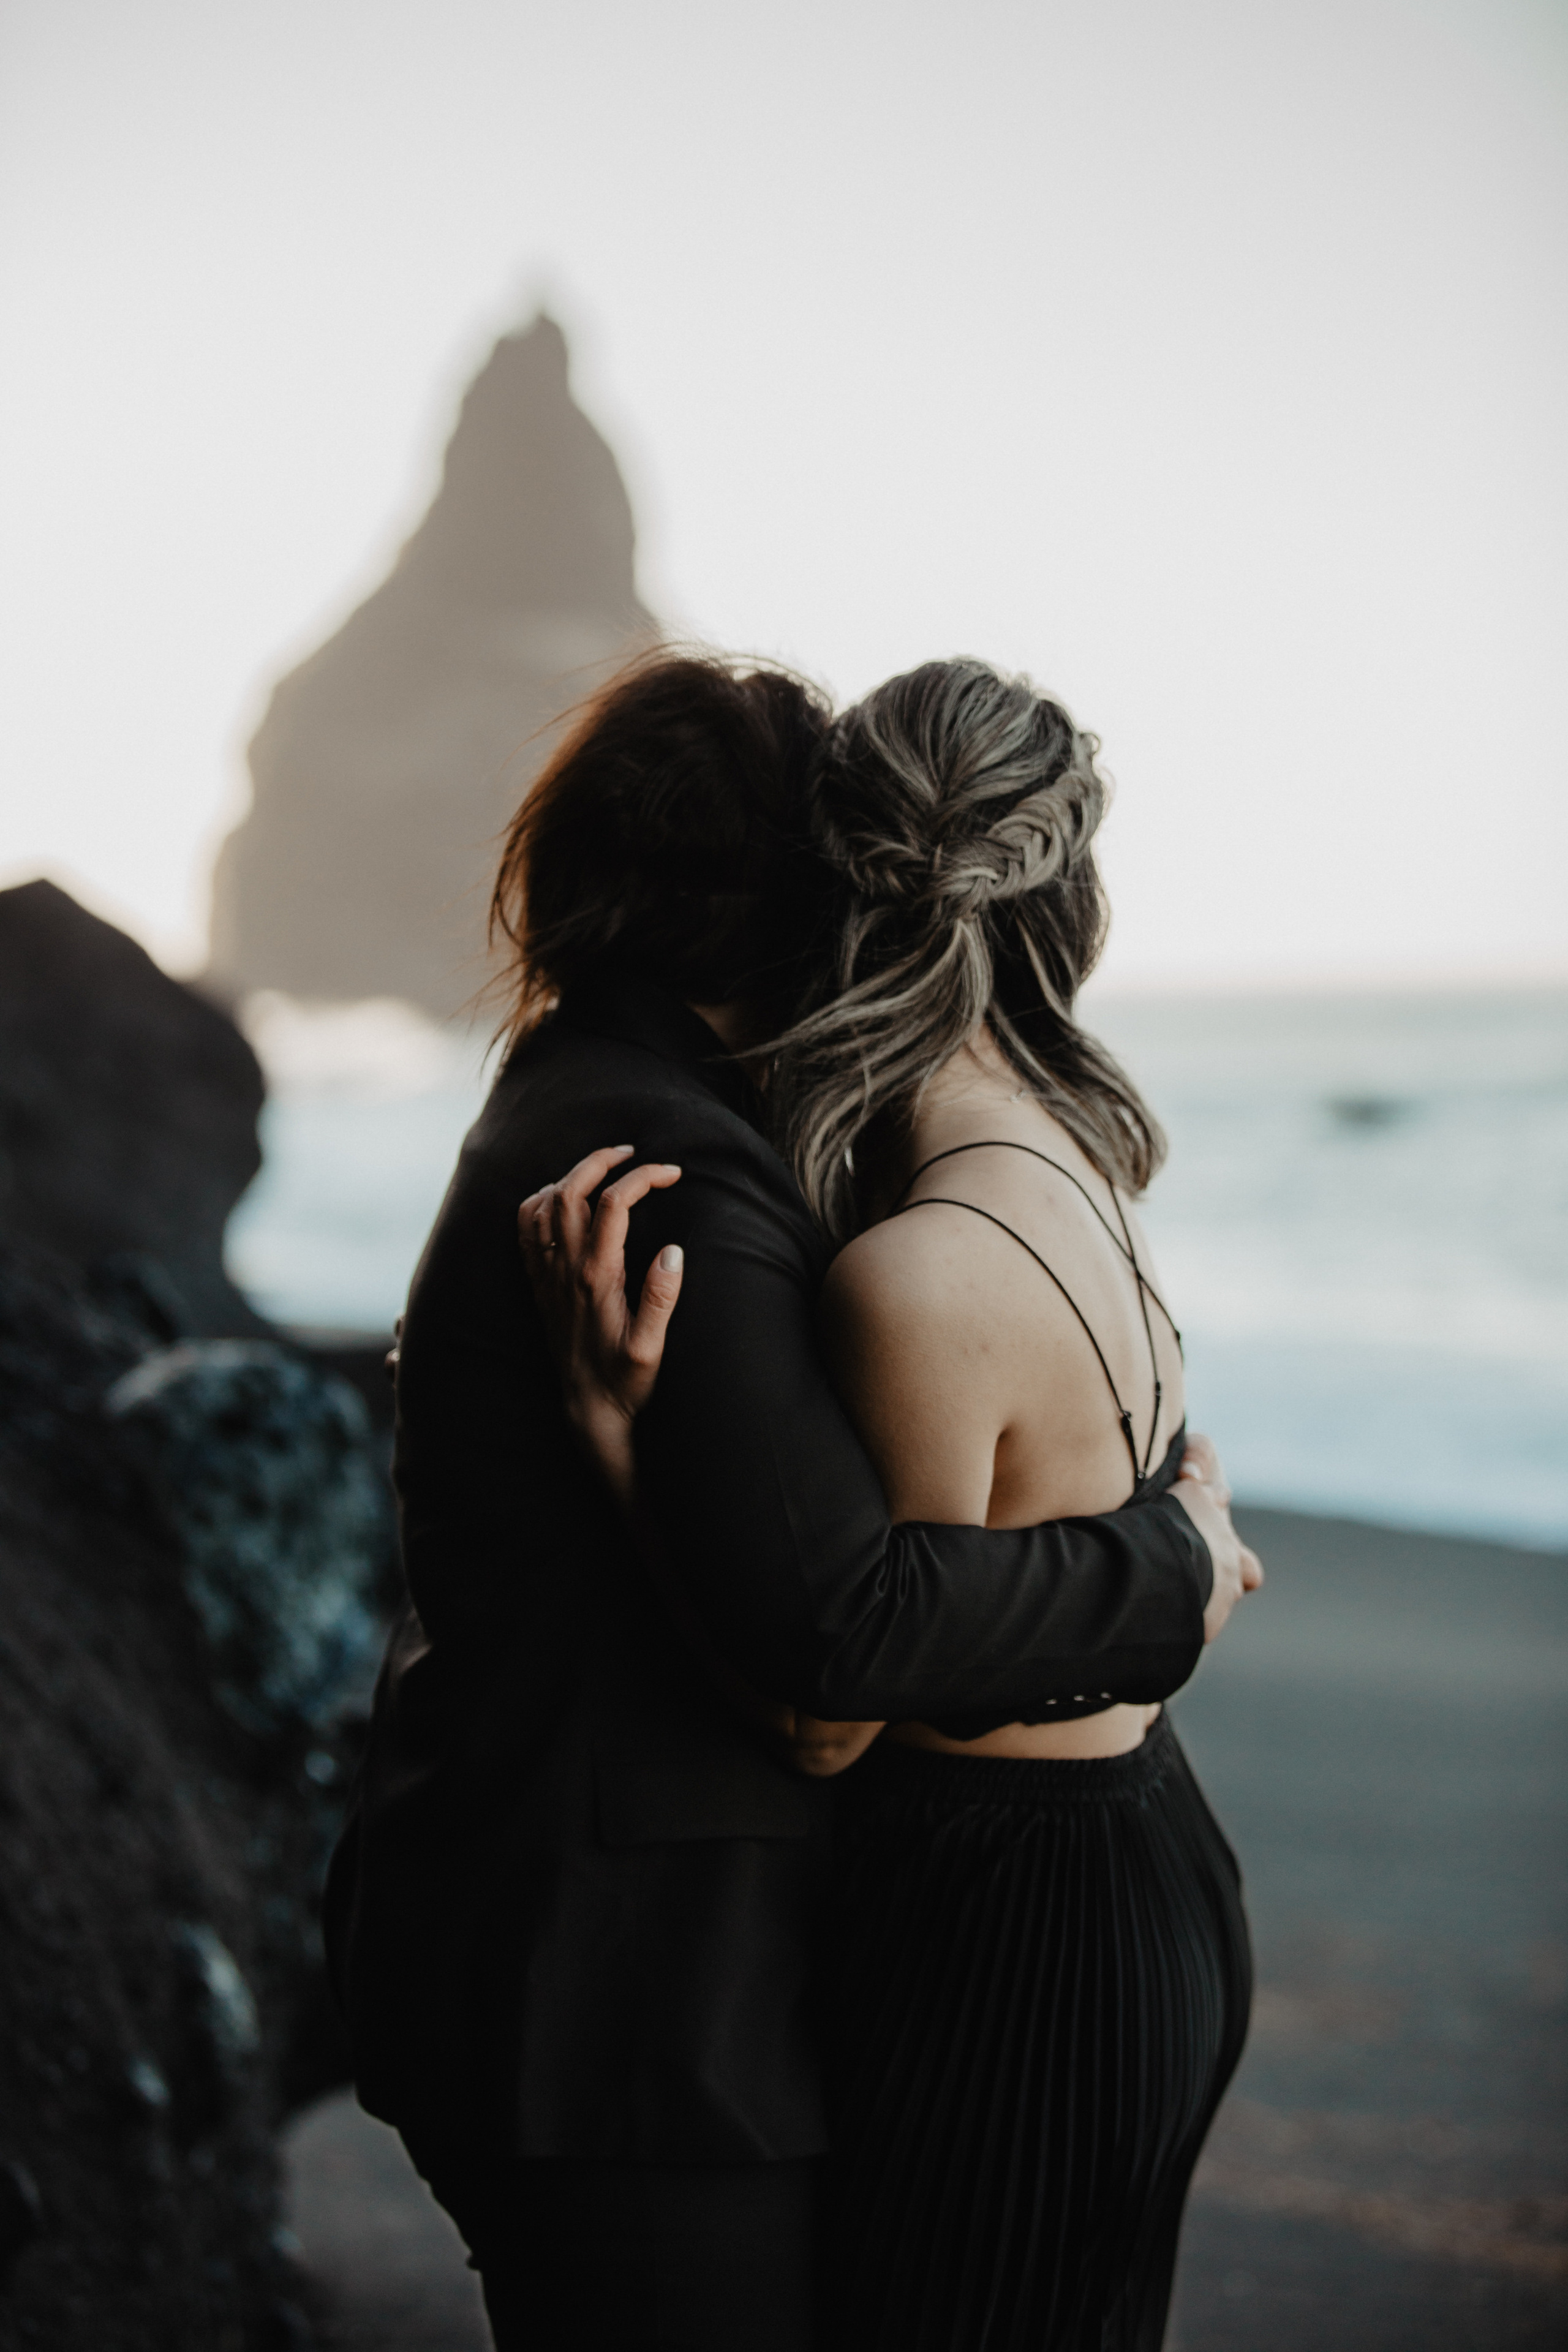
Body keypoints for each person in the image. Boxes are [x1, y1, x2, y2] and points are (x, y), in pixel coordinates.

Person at [324, 650, 1256, 2352]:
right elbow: (845, 1628)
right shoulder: (667, 1167)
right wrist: (1163, 1568)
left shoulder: (597, 1095)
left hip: (601, 1976)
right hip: (622, 2009)